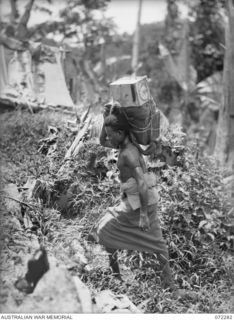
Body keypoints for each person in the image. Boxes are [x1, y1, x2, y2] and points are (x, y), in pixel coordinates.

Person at [89, 102, 179, 293]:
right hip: (139, 200)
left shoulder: (129, 153)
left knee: (105, 229)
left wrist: (144, 215)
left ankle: (169, 285)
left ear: (120, 134)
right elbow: (102, 141)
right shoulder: (125, 141)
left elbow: (142, 183)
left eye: (111, 135)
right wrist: (107, 117)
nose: (109, 139)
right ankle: (119, 275)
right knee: (157, 244)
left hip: (140, 203)